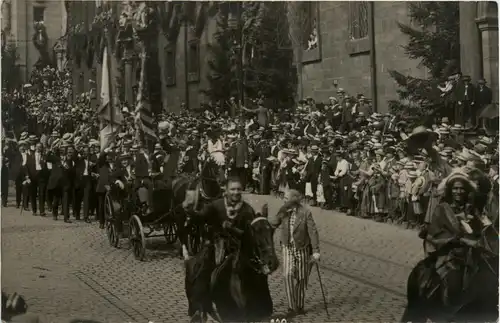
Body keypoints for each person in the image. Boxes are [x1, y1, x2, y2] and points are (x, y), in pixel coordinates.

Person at [268, 189, 320, 318]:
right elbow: (273, 223)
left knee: (302, 278)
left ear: (294, 199)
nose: (284, 200)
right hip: (287, 247)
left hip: (302, 248)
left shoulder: (305, 212)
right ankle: (291, 307)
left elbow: (313, 232)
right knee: (287, 275)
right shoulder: (283, 210)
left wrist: (316, 251)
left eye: (286, 198)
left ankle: (300, 305)